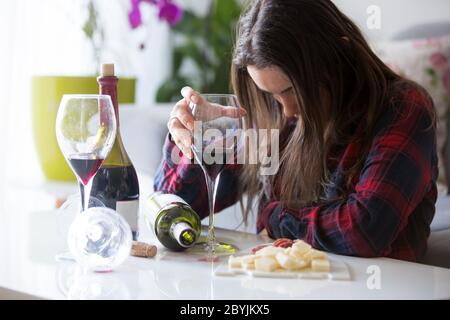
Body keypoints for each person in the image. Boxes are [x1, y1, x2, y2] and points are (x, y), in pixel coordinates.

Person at [154, 0, 438, 262]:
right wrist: (188, 142)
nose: (287, 110)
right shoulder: (276, 115)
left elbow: (364, 230)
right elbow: (177, 208)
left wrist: (275, 217)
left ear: (339, 56)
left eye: (292, 90)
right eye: (273, 94)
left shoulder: (403, 108)